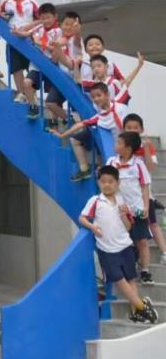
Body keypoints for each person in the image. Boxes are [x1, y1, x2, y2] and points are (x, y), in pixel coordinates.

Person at [79, 165, 157, 325]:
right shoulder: (95, 201)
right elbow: (82, 217)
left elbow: (128, 227)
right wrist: (93, 227)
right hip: (107, 250)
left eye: (111, 181)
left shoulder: (122, 200)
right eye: (103, 182)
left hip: (126, 246)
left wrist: (123, 215)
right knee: (119, 280)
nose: (107, 185)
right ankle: (143, 307)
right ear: (98, 183)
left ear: (117, 183)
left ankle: (136, 313)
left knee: (131, 279)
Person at [57, 82, 131, 182]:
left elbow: (126, 84)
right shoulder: (100, 117)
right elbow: (81, 124)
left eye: (99, 95)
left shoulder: (119, 103)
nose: (96, 99)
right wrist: (62, 135)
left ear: (107, 94)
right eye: (93, 97)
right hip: (117, 150)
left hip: (131, 144)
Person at [108, 132, 153, 283]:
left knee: (142, 241)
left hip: (137, 210)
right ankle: (127, 269)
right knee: (124, 241)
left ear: (128, 148)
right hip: (119, 211)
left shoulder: (138, 164)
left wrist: (146, 207)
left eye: (119, 143)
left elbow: (144, 186)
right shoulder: (111, 162)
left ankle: (145, 271)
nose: (116, 145)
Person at [17, 3, 69, 130]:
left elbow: (56, 49)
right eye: (43, 18)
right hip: (37, 65)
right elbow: (25, 32)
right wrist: (18, 31)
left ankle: (54, 120)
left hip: (52, 66)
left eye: (48, 17)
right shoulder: (39, 28)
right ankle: (33, 106)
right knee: (27, 83)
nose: (46, 21)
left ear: (55, 17)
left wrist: (40, 43)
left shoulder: (59, 31)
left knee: (51, 95)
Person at [123, 115, 166, 264]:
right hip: (128, 198)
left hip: (145, 195)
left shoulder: (146, 146)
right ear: (123, 129)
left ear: (141, 129)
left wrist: (146, 149)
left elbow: (150, 167)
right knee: (132, 229)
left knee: (153, 223)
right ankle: (138, 260)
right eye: (129, 127)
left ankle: (164, 252)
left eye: (136, 127)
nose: (132, 130)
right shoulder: (122, 148)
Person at [0, 0, 40, 113]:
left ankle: (32, 94)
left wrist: (27, 28)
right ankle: (21, 92)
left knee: (31, 67)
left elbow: (39, 19)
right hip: (13, 40)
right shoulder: (6, 2)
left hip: (29, 39)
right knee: (16, 67)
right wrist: (2, 17)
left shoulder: (31, 2)